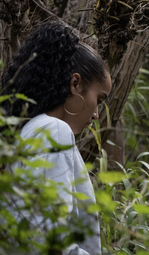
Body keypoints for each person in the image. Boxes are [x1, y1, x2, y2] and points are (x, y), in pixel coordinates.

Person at [1, 22, 112, 255]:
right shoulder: (52, 131)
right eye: (99, 100)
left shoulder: (28, 132)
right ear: (75, 84)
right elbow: (54, 244)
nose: (95, 114)